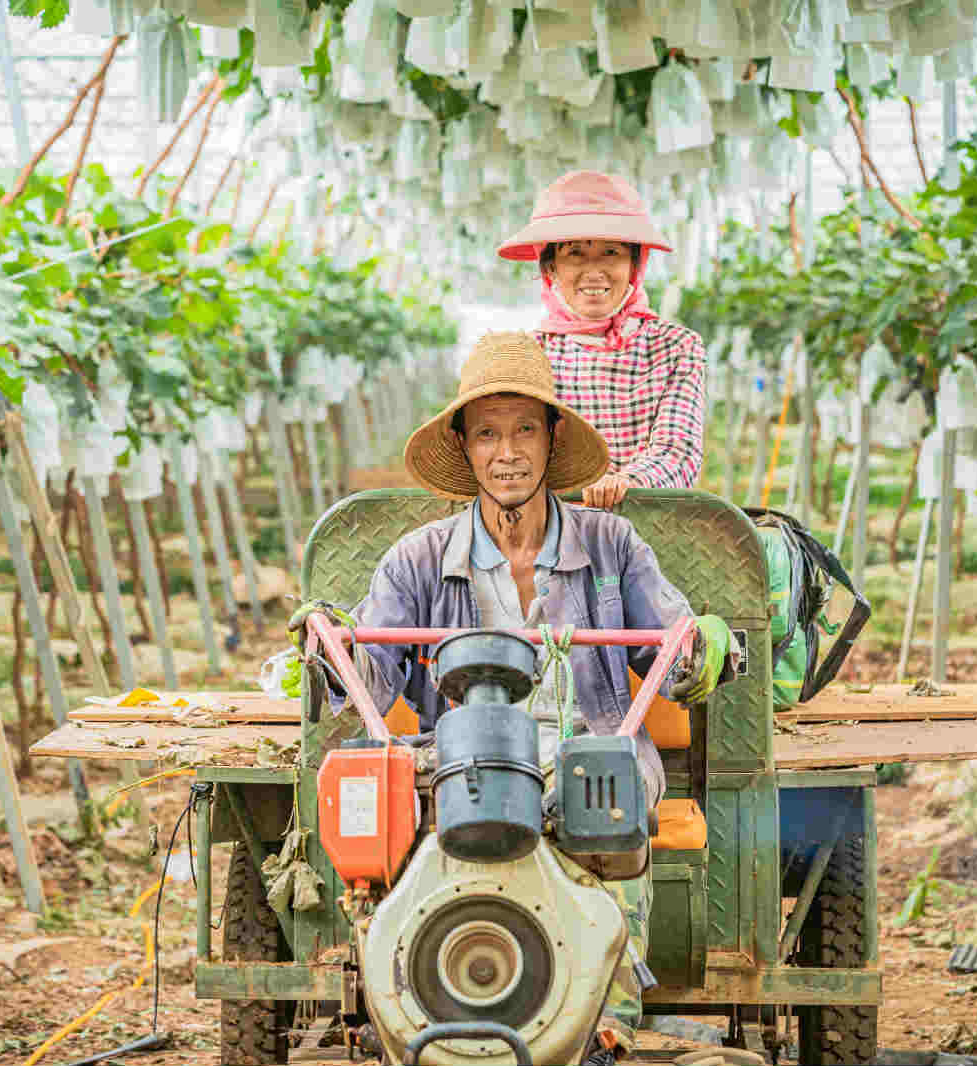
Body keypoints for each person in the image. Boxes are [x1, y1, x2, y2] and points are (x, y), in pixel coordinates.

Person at [293, 331, 732, 1065]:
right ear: (465, 447)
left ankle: (604, 1026)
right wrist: (332, 649)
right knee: (393, 801)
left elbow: (678, 637)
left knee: (608, 791)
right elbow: (372, 674)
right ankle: (401, 1005)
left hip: (586, 748)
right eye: (488, 433)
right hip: (456, 755)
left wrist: (701, 644)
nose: (507, 452)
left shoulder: (612, 543)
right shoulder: (418, 558)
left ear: (552, 438)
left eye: (525, 429)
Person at [498, 170, 707, 509]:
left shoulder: (677, 347)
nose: (593, 271)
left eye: (611, 252)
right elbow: (516, 451)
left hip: (651, 518)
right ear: (550, 268)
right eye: (574, 253)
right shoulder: (529, 354)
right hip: (554, 523)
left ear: (635, 266)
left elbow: (678, 452)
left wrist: (627, 483)